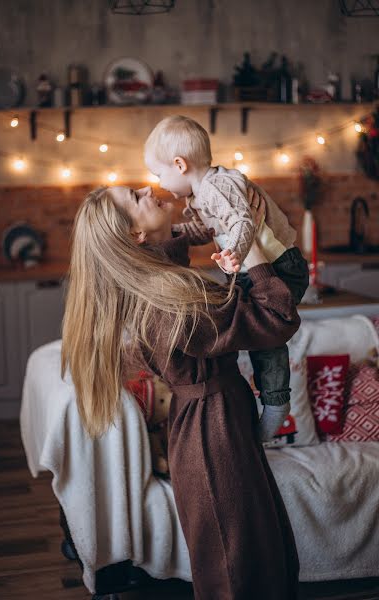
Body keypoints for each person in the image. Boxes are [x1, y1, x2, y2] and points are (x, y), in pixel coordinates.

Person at [61, 184, 300, 599]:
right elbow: (276, 318)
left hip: (215, 421)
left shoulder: (161, 276)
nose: (146, 189)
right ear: (136, 235)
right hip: (213, 434)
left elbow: (182, 243)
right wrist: (256, 256)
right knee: (237, 568)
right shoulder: (170, 298)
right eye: (135, 198)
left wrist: (232, 224)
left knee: (258, 554)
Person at [144, 115, 310, 442]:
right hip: (261, 268)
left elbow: (241, 224)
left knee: (267, 333)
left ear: (179, 164)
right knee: (253, 329)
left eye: (159, 174)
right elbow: (208, 230)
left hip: (280, 265)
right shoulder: (202, 194)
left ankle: (277, 404)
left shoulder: (217, 186)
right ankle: (269, 400)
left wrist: (233, 251)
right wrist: (169, 232)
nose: (159, 183)